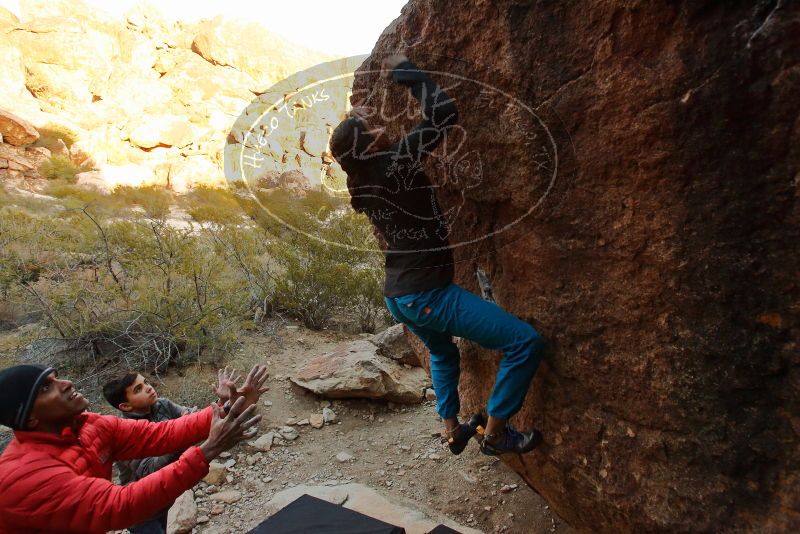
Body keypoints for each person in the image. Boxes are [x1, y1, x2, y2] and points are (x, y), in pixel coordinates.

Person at [329, 54, 545, 456]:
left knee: (443, 351)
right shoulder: (396, 163)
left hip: (399, 298)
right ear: (371, 143)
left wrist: (356, 124)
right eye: (374, 128)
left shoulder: (363, 182)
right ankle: (496, 435)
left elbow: (355, 143)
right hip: (427, 296)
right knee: (524, 342)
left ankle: (451, 430)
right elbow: (444, 113)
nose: (382, 126)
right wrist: (404, 72)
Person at [0, 363, 268, 533]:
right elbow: (118, 506)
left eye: (56, 377)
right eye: (47, 387)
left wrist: (228, 408)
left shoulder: (88, 426)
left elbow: (162, 433)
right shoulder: (26, 475)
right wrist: (208, 449)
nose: (66, 383)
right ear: (30, 419)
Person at [102, 367, 242, 534]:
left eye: (145, 382)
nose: (148, 387)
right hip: (141, 511)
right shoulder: (123, 435)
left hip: (165, 497)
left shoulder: (162, 405)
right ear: (125, 406)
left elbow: (193, 419)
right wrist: (182, 438)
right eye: (138, 389)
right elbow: (149, 469)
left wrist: (222, 403)